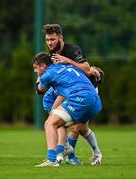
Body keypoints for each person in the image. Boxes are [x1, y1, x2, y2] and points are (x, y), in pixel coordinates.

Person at [41, 24, 102, 165]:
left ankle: (95, 154)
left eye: (53, 39)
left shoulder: (73, 50)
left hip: (87, 89)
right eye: (47, 40)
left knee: (79, 127)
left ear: (61, 38)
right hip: (69, 91)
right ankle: (64, 154)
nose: (50, 43)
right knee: (53, 120)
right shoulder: (52, 54)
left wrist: (67, 60)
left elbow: (86, 69)